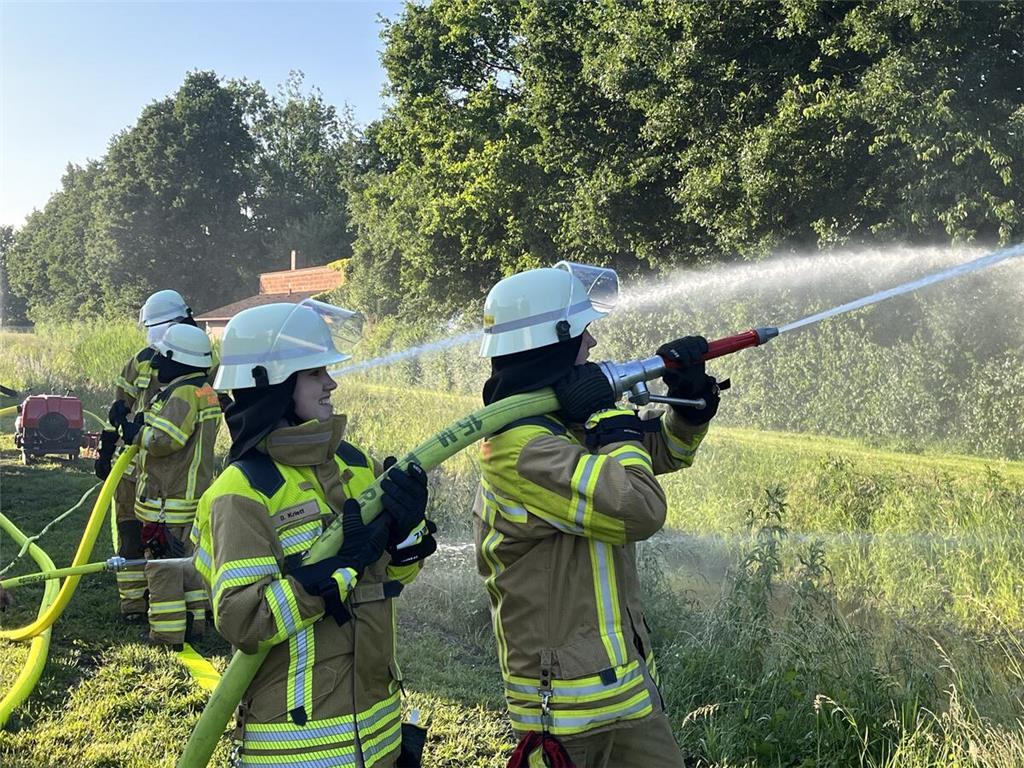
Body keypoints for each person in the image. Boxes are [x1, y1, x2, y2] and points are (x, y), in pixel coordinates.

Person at [474, 263, 722, 768]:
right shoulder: (521, 449)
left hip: (627, 689)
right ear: (552, 342)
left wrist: (689, 407)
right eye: (581, 330)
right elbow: (638, 507)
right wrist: (611, 422)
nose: (591, 343)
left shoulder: (559, 427)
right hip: (564, 705)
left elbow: (656, 455)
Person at [191, 300, 437, 768]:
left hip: (379, 731)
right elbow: (243, 621)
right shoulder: (241, 492)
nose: (331, 383)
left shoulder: (356, 465)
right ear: (273, 386)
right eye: (314, 373)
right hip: (298, 748)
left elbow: (390, 581)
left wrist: (407, 535)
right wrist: (324, 578)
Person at [95, 289, 196, 620]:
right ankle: (134, 604)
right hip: (133, 466)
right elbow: (119, 409)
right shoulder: (139, 361)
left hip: (171, 469)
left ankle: (173, 604)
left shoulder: (197, 360)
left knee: (172, 543)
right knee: (128, 532)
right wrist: (106, 448)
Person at [125, 322, 220, 647]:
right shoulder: (204, 391)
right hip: (192, 497)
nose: (155, 365)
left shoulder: (181, 394)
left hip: (168, 501)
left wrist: (136, 434)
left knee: (162, 566)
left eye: (161, 358)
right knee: (188, 566)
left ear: (177, 361)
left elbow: (166, 440)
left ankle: (166, 635)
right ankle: (195, 623)